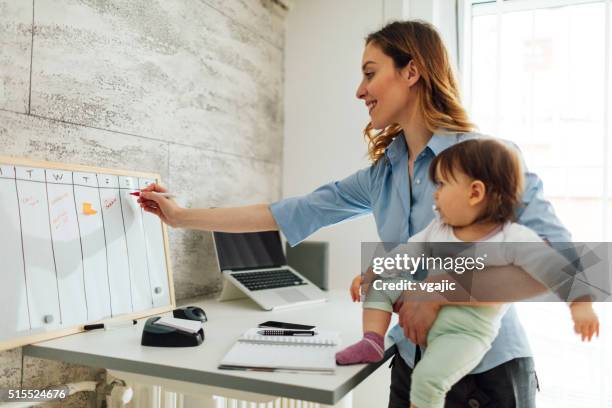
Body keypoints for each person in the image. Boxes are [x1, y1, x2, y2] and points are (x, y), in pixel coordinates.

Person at [137, 20, 587, 407]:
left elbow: (570, 267)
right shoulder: (383, 175)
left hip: (485, 376)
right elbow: (289, 212)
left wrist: (442, 290)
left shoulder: (487, 160)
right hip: (410, 364)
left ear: (412, 71)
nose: (360, 90)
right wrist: (181, 218)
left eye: (370, 73)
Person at [334, 138, 599, 408]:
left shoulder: (510, 237)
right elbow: (405, 252)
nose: (434, 194)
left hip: (466, 333)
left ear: (475, 193)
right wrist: (373, 273)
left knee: (427, 378)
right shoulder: (439, 229)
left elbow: (555, 268)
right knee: (382, 285)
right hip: (429, 321)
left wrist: (580, 305)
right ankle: (372, 341)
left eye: (442, 184)